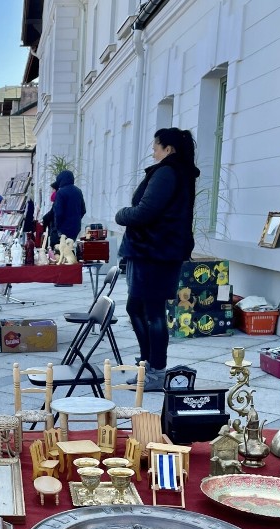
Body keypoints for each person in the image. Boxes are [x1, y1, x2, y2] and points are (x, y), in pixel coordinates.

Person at [116, 128, 200, 391]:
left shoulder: (166, 172)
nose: (153, 150)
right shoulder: (176, 172)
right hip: (156, 252)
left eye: (156, 146)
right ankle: (148, 365)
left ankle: (154, 370)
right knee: (138, 309)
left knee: (152, 314)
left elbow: (145, 212)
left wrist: (121, 214)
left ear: (168, 149)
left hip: (154, 253)